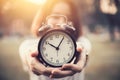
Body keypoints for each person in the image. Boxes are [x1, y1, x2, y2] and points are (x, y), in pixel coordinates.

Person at [19, 0, 91, 80]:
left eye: (69, 18)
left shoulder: (82, 42)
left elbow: (84, 50)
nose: (62, 23)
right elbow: (27, 52)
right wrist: (31, 58)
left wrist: (83, 55)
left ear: (74, 22)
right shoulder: (27, 44)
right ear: (44, 19)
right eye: (56, 16)